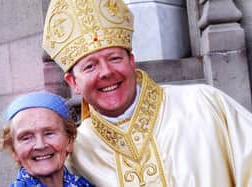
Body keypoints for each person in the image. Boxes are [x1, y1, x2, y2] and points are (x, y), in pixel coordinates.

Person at [42, 0, 252, 186]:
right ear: (73, 82)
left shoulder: (205, 104)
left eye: (115, 58)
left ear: (132, 62)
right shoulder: (75, 152)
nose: (106, 72)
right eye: (90, 67)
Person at [0, 91, 93, 187]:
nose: (40, 145)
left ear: (69, 141)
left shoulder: (85, 184)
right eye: (26, 138)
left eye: (49, 133)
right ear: (14, 151)